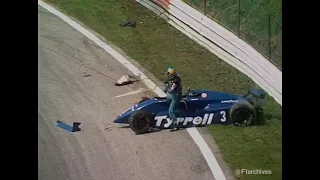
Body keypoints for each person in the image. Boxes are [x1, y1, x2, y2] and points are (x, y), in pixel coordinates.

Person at [164, 67, 183, 132]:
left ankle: (175, 125)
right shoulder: (174, 79)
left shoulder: (176, 80)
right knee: (167, 99)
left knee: (171, 110)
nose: (168, 74)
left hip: (176, 96)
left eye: (168, 73)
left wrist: (167, 88)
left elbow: (171, 90)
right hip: (173, 95)